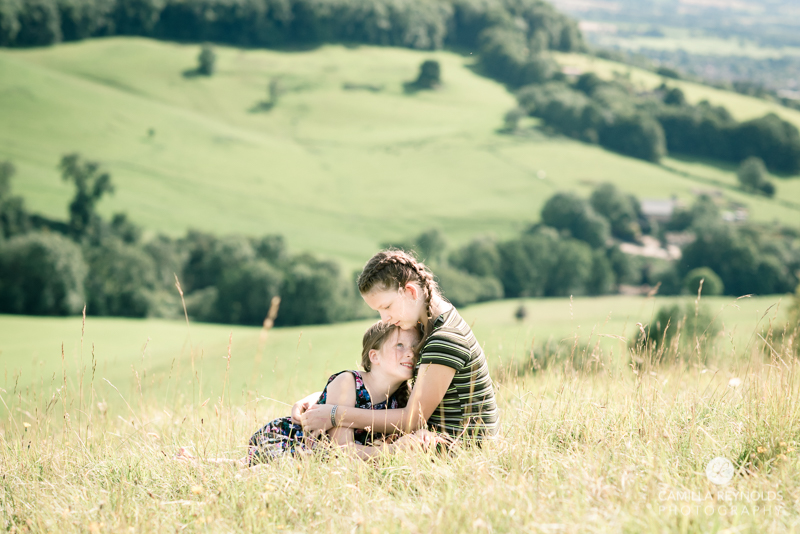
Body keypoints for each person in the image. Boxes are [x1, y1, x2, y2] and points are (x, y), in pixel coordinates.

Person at [296, 249, 498, 445]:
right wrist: (321, 400)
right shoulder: (432, 323)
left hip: (462, 446)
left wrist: (334, 414)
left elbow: (413, 419)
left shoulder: (444, 338)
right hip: (432, 440)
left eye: (387, 307)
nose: (386, 319)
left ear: (410, 291)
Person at [247, 321, 435, 464]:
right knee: (273, 470)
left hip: (319, 460)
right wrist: (393, 450)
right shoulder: (348, 382)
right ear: (374, 356)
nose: (411, 353)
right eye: (400, 345)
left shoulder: (404, 398)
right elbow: (342, 452)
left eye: (415, 346)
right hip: (291, 443)